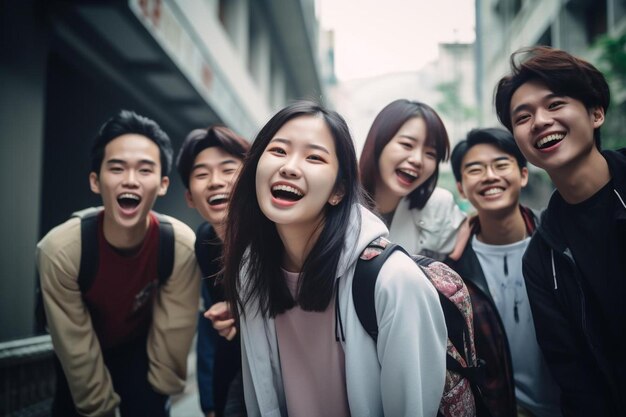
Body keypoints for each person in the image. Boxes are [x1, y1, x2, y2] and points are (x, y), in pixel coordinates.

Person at [215, 100, 447, 417]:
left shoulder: (393, 281)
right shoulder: (250, 271)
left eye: (314, 157)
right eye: (279, 151)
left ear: (338, 190)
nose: (290, 167)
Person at [37, 110, 200, 417]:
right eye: (117, 168)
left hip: (140, 349)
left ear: (163, 184)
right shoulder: (60, 250)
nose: (130, 180)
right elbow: (76, 350)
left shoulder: (178, 246)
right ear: (95, 181)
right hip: (82, 348)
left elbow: (173, 336)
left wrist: (157, 397)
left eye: (145, 170)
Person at [494, 46, 626, 416]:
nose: (539, 121)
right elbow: (574, 375)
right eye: (523, 117)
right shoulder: (541, 257)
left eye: (555, 105)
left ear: (596, 112)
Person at [446, 128, 561, 417]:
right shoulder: (452, 270)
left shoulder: (559, 242)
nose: (489, 176)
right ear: (461, 188)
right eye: (475, 169)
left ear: (523, 174)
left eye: (501, 164)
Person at [176, 125, 250, 417]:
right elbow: (211, 325)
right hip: (234, 377)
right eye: (202, 174)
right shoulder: (205, 242)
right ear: (190, 198)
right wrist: (209, 402)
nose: (215, 182)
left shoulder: (277, 235)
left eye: (228, 169)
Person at [359, 99, 467, 261]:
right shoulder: (337, 202)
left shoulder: (439, 205)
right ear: (379, 143)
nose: (417, 160)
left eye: (430, 154)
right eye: (407, 145)